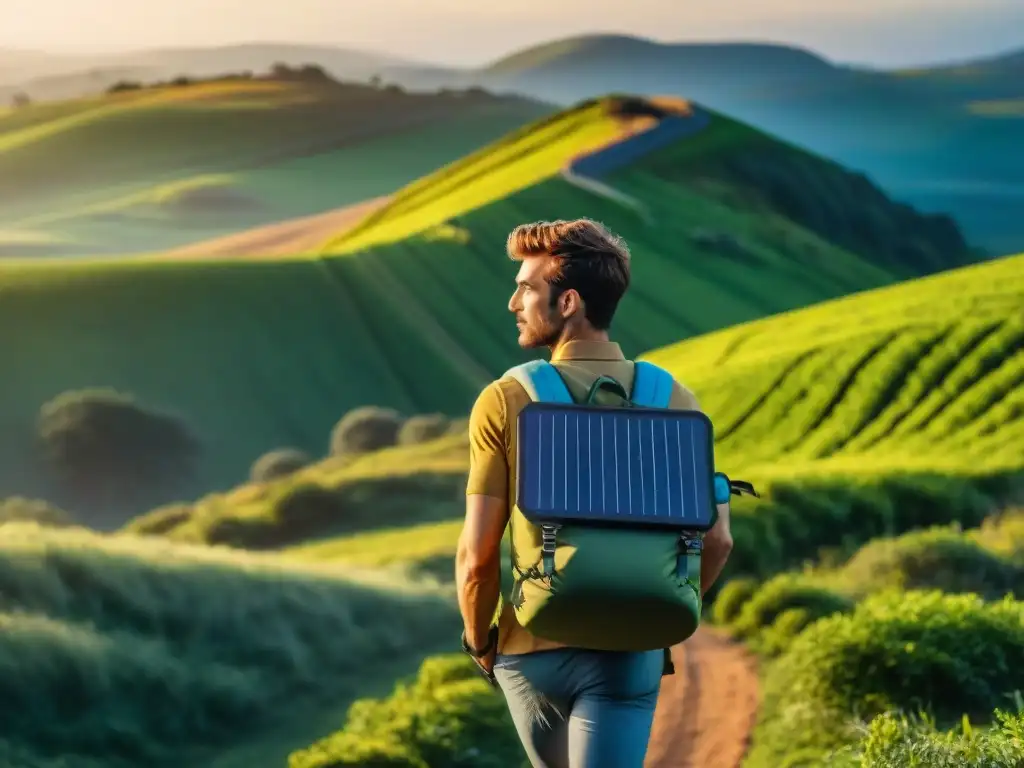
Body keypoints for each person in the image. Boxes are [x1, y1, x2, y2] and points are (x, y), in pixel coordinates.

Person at [455, 218, 735, 768]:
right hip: (629, 653)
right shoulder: (676, 399)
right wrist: (654, 614)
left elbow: (477, 556)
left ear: (569, 303)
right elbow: (718, 540)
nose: (513, 301)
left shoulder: (508, 398)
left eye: (527, 287)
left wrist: (479, 643)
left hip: (531, 643)